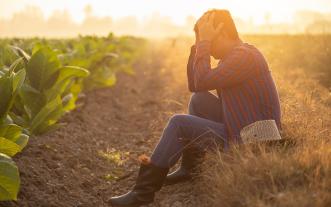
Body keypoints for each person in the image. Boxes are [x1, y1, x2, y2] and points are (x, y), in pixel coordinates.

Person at [110, 9, 281, 207]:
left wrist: (203, 44)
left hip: (253, 138)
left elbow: (201, 80)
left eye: (208, 38)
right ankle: (189, 168)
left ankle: (142, 192)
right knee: (199, 99)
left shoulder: (244, 56)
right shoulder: (232, 56)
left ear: (223, 32)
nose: (204, 43)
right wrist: (200, 43)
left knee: (178, 123)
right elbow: (195, 85)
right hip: (240, 125)